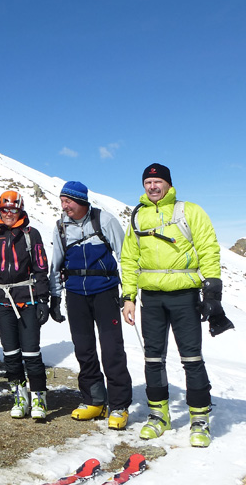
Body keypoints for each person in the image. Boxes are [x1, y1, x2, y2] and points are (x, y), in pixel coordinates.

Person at [121, 163, 233, 448]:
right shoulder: (138, 216)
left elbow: (208, 247)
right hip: (151, 297)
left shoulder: (189, 211)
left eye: (158, 181)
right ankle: (159, 415)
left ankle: (200, 418)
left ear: (168, 184)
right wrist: (129, 297)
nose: (153, 186)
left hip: (185, 295)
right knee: (152, 358)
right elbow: (129, 258)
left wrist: (212, 290)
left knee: (191, 359)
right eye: (148, 182)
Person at [49, 181, 132, 430]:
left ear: (81, 201)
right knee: (84, 349)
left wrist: (128, 294)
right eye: (62, 201)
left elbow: (126, 256)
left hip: (105, 292)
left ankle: (119, 405)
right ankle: (94, 401)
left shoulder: (104, 220)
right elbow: (56, 264)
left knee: (112, 349)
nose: (64, 206)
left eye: (69, 201)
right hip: (75, 294)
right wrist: (55, 297)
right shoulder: (60, 227)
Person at [0, 191, 51, 420]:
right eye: (4, 209)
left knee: (31, 352)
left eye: (13, 209)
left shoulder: (31, 235)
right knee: (10, 354)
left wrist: (43, 300)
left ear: (20, 210)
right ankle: (19, 397)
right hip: (2, 301)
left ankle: (38, 397)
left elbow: (41, 269)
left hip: (28, 299)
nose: (8, 214)